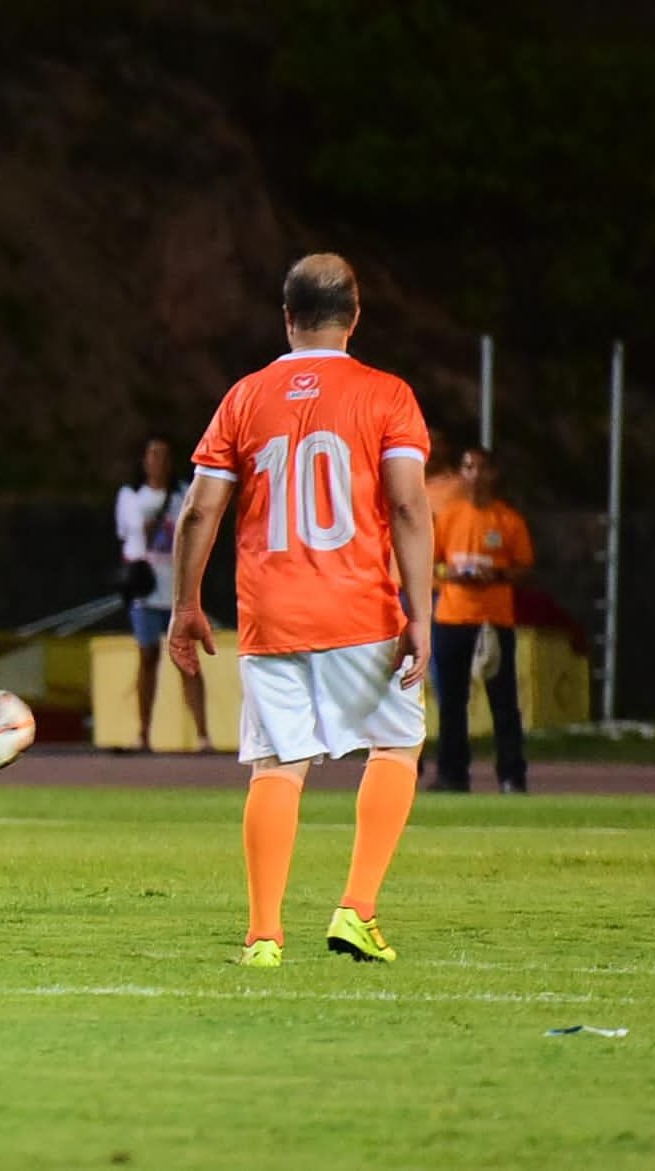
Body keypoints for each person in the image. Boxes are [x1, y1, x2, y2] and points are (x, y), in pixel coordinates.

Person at [167, 253, 434, 969]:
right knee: (397, 744)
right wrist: (423, 613)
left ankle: (262, 936)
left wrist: (185, 605)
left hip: (271, 614)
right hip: (362, 610)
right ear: (355, 314)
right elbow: (408, 503)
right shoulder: (388, 395)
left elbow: (199, 511)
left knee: (278, 765)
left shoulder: (245, 397)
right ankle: (357, 908)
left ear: (286, 317)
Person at [429, 446, 534, 794]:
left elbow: (522, 568)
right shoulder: (449, 517)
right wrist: (451, 572)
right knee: (452, 703)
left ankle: (511, 776)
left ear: (493, 474)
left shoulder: (508, 520)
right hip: (452, 616)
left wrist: (497, 573)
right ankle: (452, 775)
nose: (474, 475)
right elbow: (432, 562)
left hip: (493, 620)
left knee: (503, 703)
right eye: (467, 467)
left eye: (481, 468)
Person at [114, 434, 211, 752]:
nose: (159, 462)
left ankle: (202, 735)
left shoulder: (183, 494)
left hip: (177, 589)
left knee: (187, 659)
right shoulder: (132, 496)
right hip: (146, 591)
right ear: (143, 460)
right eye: (153, 455)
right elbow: (126, 539)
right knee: (147, 657)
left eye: (164, 456)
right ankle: (143, 733)